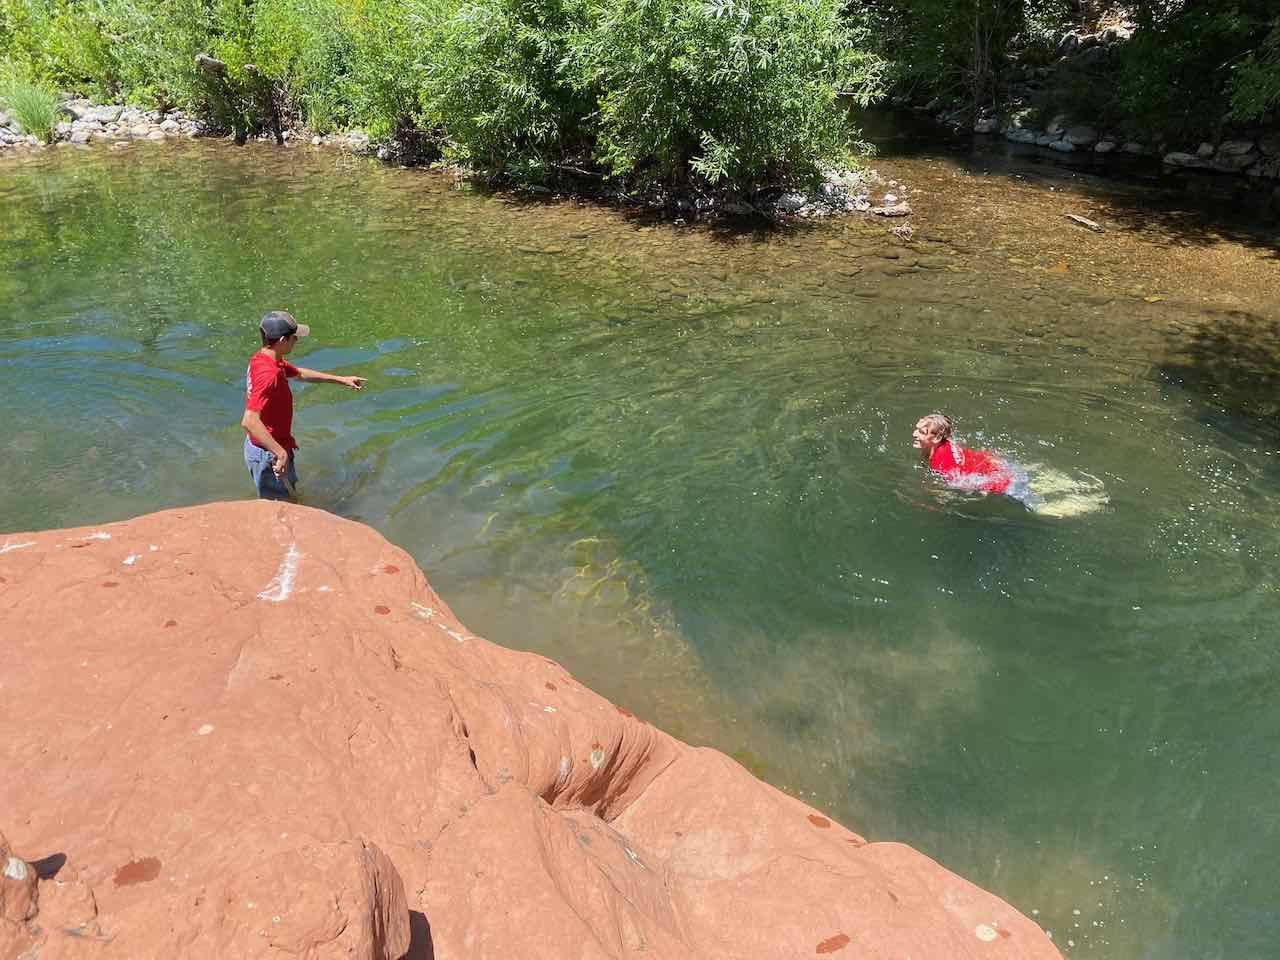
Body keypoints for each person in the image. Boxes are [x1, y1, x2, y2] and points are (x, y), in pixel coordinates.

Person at [241, 310, 367, 500]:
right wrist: (280, 453)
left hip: (272, 446)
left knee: (289, 497)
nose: (296, 341)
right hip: (268, 453)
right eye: (294, 337)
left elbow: (299, 373)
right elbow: (249, 420)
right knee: (278, 507)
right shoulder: (269, 373)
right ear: (283, 340)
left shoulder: (265, 359)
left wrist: (341, 379)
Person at [912, 412, 1012, 495]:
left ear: (937, 438)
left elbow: (956, 487)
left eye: (922, 432)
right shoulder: (943, 443)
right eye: (917, 429)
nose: (914, 434)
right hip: (990, 460)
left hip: (996, 478)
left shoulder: (940, 462)